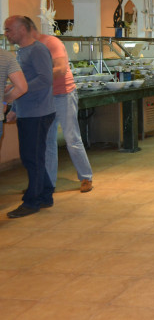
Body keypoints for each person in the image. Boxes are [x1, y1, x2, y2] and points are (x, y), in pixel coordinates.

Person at [28, 17, 94, 192]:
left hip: (64, 94)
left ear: (28, 30)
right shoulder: (28, 49)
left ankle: (86, 177)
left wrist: (32, 81)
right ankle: (48, 183)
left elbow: (61, 69)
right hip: (45, 98)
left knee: (72, 138)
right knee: (48, 141)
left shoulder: (51, 42)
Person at [4, 15, 55, 218]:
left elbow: (45, 79)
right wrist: (15, 108)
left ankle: (32, 202)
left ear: (22, 30)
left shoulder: (37, 50)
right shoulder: (22, 51)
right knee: (32, 157)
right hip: (28, 112)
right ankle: (46, 194)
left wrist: (17, 89)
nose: (6, 34)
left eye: (9, 29)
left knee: (32, 158)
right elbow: (24, 82)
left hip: (38, 113)